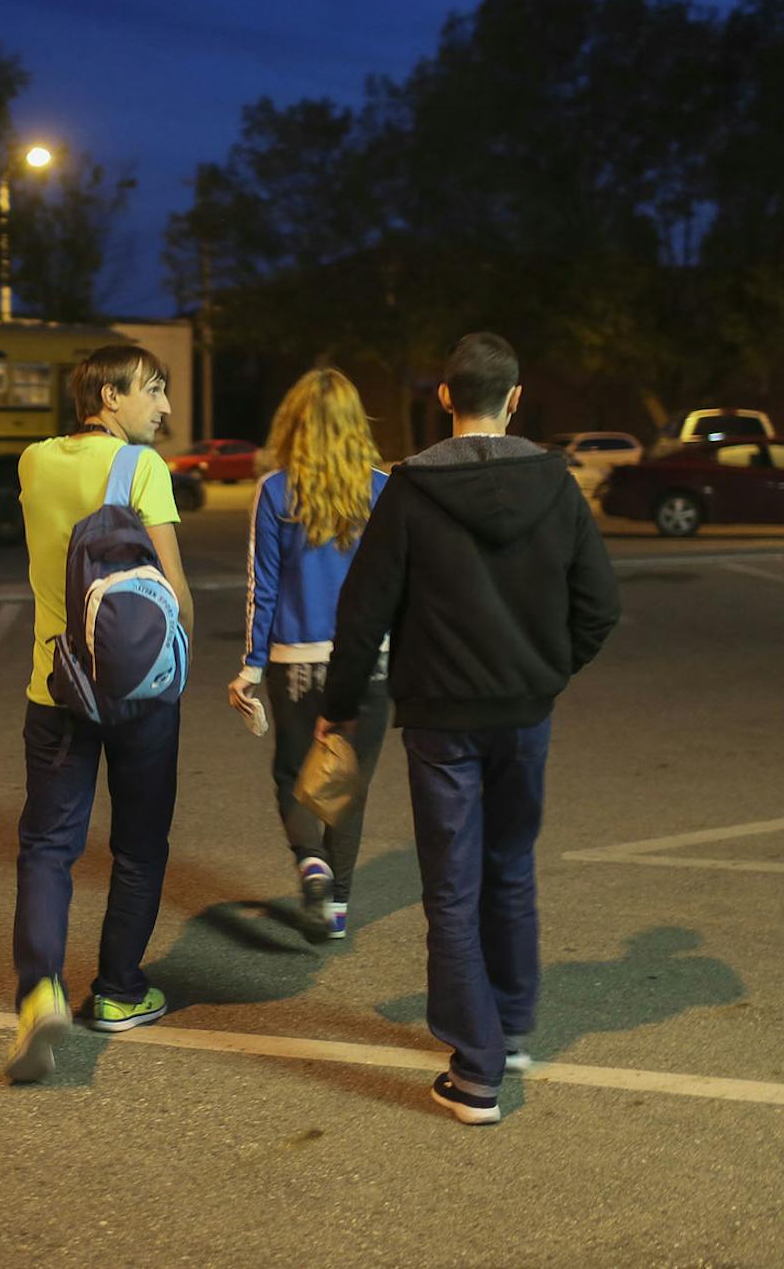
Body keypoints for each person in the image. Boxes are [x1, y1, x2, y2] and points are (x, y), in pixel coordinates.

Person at [320, 332, 619, 1126]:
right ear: (515, 397)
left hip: (441, 720)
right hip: (525, 713)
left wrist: (338, 707)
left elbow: (362, 615)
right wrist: (548, 671)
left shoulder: (411, 491)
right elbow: (601, 607)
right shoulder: (557, 485)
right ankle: (511, 1025)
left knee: (451, 887)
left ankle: (477, 1068)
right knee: (510, 867)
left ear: (446, 396)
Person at [5, 343, 193, 1083]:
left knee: (49, 845)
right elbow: (174, 593)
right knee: (140, 845)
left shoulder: (31, 461)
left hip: (57, 687)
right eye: (154, 391)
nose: (166, 407)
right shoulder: (142, 470)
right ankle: (117, 991)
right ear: (109, 396)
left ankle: (39, 989)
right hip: (140, 692)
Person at [227, 367, 391, 940]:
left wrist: (250, 666)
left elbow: (262, 586)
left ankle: (310, 863)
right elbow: (401, 585)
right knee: (349, 779)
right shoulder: (383, 490)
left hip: (296, 657)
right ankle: (337, 906)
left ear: (294, 423)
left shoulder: (275, 491)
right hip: (370, 658)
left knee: (294, 772)